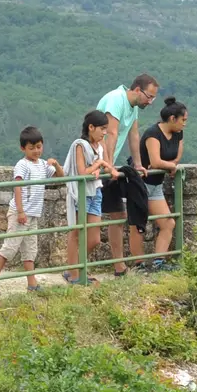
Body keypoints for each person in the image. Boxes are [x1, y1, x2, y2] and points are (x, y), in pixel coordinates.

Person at [96, 74, 158, 275]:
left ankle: (119, 266)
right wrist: (109, 165)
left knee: (118, 215)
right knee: (91, 220)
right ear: (137, 90)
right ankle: (76, 269)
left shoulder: (132, 108)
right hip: (97, 165)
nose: (150, 102)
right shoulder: (116, 99)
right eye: (149, 97)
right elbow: (110, 133)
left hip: (107, 167)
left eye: (153, 98)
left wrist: (138, 164)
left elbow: (134, 135)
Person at [0, 126, 61, 295]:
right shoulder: (22, 165)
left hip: (33, 214)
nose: (36, 151)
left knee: (30, 249)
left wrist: (56, 164)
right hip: (20, 213)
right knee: (10, 247)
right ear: (23, 148)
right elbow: (18, 187)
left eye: (39, 147)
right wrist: (20, 211)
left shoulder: (43, 165)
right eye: (32, 148)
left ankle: (32, 283)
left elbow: (61, 176)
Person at [62, 110, 115, 284]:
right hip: (81, 193)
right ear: (91, 127)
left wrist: (112, 170)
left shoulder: (100, 145)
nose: (104, 132)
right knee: (76, 233)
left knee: (94, 239)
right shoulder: (80, 145)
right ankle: (75, 273)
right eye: (102, 129)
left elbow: (107, 166)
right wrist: (99, 164)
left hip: (95, 192)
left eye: (106, 129)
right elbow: (82, 172)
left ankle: (75, 268)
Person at [140, 98, 187, 270]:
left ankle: (158, 262)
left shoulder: (177, 133)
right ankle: (138, 264)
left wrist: (170, 164)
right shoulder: (153, 134)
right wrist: (169, 165)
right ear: (173, 119)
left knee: (168, 223)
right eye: (183, 120)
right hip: (141, 183)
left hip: (156, 184)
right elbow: (155, 161)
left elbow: (176, 156)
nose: (185, 124)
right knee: (137, 223)